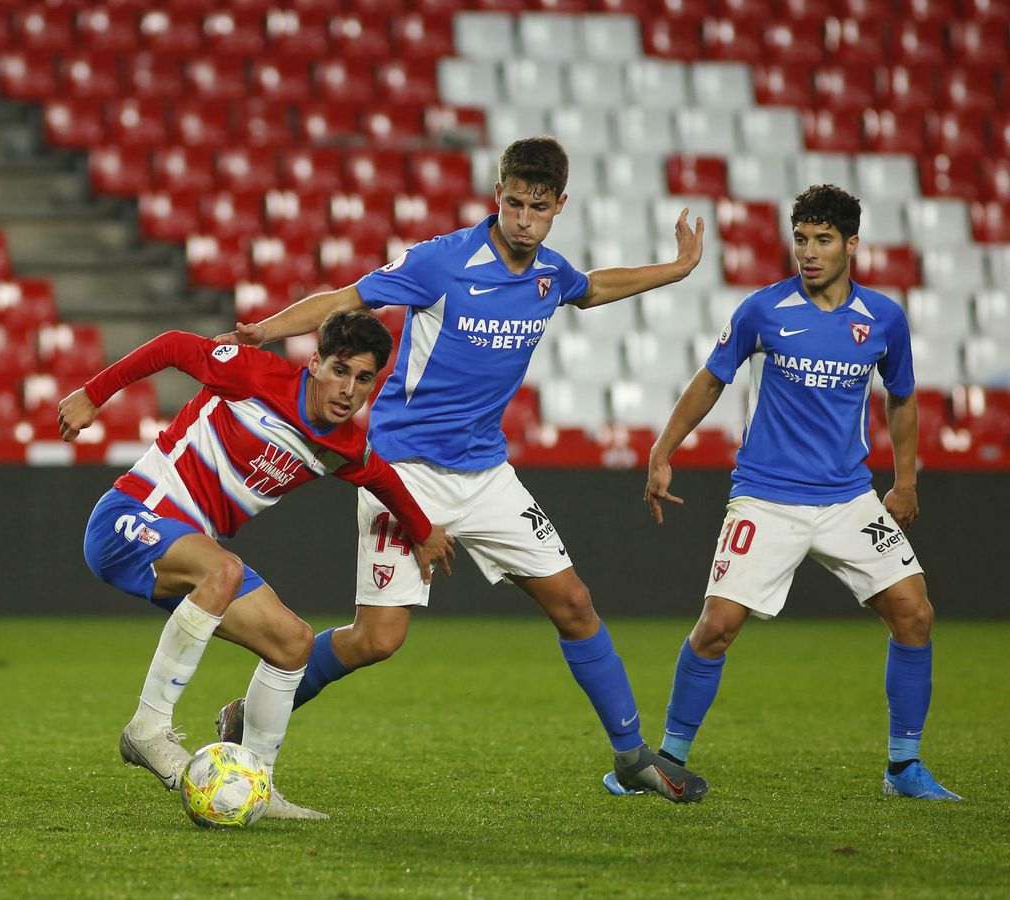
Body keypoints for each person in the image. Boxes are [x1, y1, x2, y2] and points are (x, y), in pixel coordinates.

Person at [214, 136, 710, 802]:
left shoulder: (549, 274)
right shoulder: (441, 262)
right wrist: (267, 331)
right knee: (378, 639)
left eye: (538, 207)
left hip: (486, 474)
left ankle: (630, 755)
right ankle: (250, 718)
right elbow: (349, 295)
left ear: (560, 205)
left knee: (574, 603)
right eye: (514, 203)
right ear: (497, 196)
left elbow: (592, 288)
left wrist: (676, 269)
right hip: (405, 470)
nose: (524, 218)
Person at [58, 310, 454, 820]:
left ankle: (258, 787)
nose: (348, 390)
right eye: (339, 370)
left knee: (293, 643)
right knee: (221, 570)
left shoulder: (343, 446)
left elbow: (381, 479)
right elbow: (175, 344)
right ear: (314, 362)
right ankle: (148, 728)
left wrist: (423, 533)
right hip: (133, 515)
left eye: (363, 379)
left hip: (190, 551)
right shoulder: (254, 376)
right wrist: (93, 394)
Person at [640, 184, 958, 801]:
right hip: (767, 496)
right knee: (717, 626)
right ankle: (665, 764)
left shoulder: (883, 319)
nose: (808, 253)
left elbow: (902, 396)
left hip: (847, 498)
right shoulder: (763, 310)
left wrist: (907, 479)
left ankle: (903, 769)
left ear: (852, 245)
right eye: (801, 240)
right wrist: (662, 450)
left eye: (822, 240)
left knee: (915, 614)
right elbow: (711, 380)